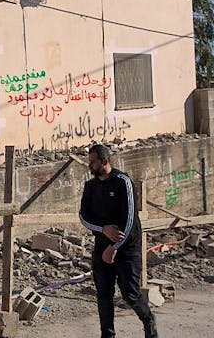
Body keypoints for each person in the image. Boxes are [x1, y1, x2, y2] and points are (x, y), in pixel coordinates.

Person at [79, 143, 157, 338]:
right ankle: (108, 334)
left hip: (126, 249)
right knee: (104, 295)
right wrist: (103, 230)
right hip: (102, 247)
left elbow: (130, 218)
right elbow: (83, 216)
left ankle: (149, 322)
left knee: (130, 294)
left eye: (93, 162)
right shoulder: (90, 187)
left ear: (104, 161)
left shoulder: (123, 182)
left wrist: (115, 247)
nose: (90, 166)